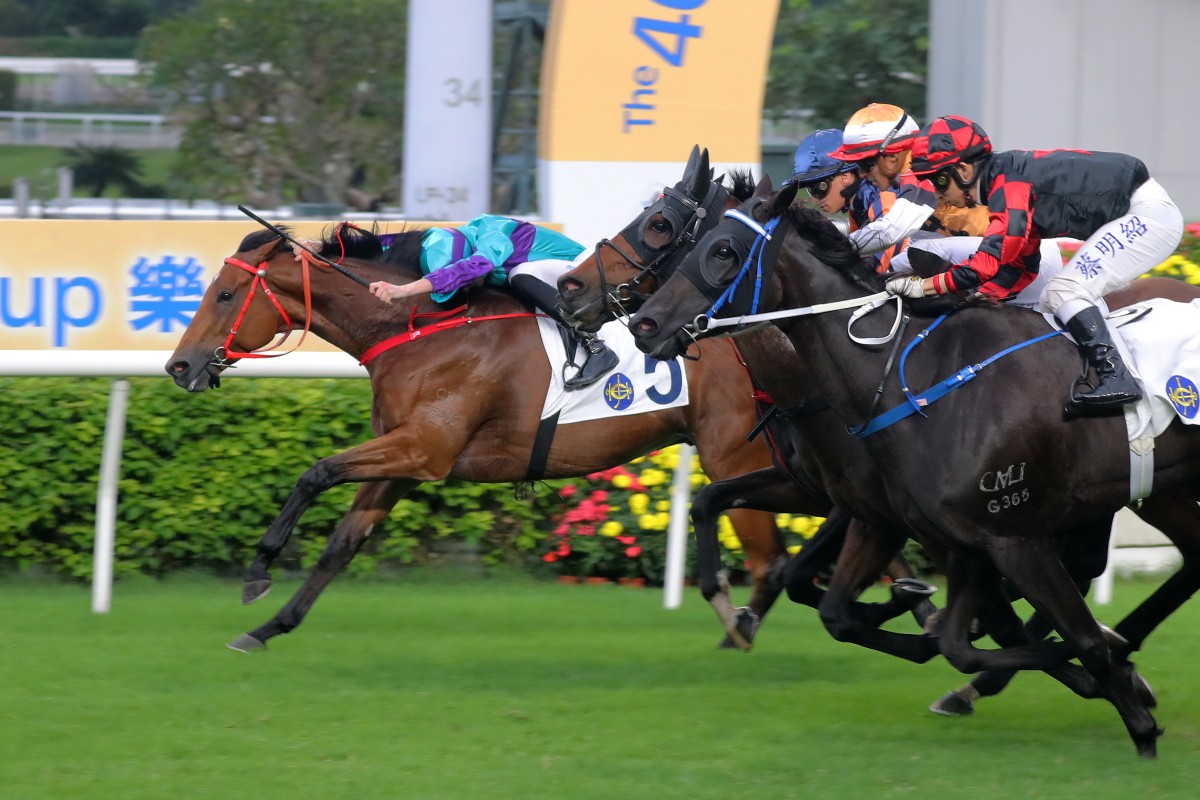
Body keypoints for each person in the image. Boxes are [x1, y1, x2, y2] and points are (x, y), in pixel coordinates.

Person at [886, 115, 1184, 413]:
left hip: (1147, 216)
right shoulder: (1004, 180)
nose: (936, 192)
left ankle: (1118, 376)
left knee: (1064, 292)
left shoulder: (1008, 183)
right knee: (1054, 294)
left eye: (938, 179)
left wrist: (924, 286)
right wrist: (988, 293)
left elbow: (989, 260)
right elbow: (1024, 262)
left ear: (963, 169)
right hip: (1139, 213)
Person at [368, 214, 619, 391]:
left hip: (585, 274)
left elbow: (476, 266)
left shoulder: (492, 235)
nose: (464, 286)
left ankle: (596, 347)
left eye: (463, 281)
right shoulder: (448, 240)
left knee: (519, 275)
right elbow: (393, 241)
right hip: (555, 283)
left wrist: (404, 290)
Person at [831, 103, 990, 239]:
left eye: (865, 164)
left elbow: (889, 232)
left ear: (892, 156)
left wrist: (830, 249)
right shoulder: (902, 179)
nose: (862, 174)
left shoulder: (920, 172)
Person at [790, 126, 937, 273]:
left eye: (818, 188)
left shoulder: (882, 191)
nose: (815, 200)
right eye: (810, 190)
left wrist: (827, 248)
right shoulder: (857, 205)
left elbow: (882, 264)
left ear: (845, 177)